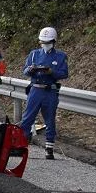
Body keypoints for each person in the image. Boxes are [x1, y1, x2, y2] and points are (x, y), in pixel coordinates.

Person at [19, 27, 69, 159]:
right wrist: (31, 70)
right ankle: (22, 145)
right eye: (43, 42)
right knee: (27, 118)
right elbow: (24, 71)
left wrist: (52, 72)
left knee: (50, 119)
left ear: (54, 41)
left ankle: (49, 148)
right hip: (35, 89)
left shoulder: (60, 56)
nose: (45, 45)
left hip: (50, 90)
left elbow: (64, 73)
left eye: (48, 42)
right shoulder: (34, 54)